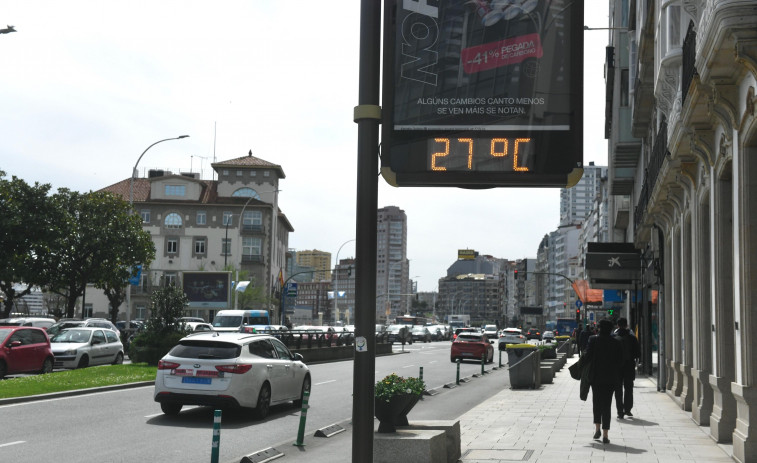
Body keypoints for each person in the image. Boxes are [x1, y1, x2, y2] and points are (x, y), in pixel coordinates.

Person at [583, 318, 623, 444]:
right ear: (611, 329)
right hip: (611, 378)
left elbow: (587, 356)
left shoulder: (593, 340)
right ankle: (605, 434)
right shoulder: (616, 342)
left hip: (596, 378)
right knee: (607, 405)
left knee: (597, 403)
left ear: (599, 328)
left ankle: (597, 429)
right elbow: (620, 361)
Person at [614, 317, 641, 418]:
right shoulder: (632, 338)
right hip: (629, 366)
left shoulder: (614, 338)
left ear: (617, 325)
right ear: (626, 325)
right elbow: (638, 353)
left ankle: (620, 411)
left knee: (618, 389)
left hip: (617, 367)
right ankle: (628, 409)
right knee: (628, 388)